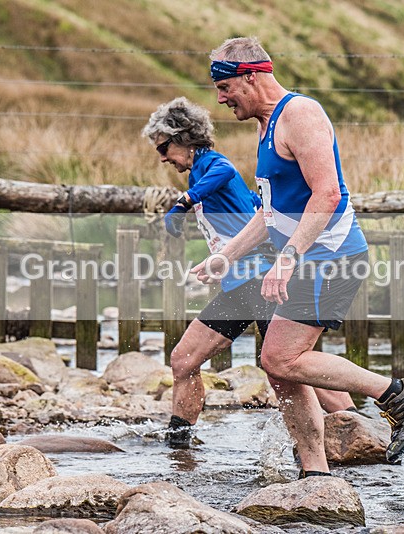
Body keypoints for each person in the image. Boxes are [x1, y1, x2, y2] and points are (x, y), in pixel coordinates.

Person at [193, 37, 404, 473]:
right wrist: (226, 255)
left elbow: (328, 192)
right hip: (309, 258)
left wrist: (287, 259)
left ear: (251, 76)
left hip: (330, 256)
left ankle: (396, 393)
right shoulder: (265, 127)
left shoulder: (300, 114)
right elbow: (270, 212)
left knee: (281, 358)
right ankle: (313, 467)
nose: (221, 98)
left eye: (224, 87)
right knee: (280, 368)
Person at [141, 97, 357, 448]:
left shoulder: (212, 164)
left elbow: (224, 171)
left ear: (184, 138)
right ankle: (178, 447)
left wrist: (184, 202)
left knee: (292, 368)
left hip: (263, 279)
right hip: (241, 285)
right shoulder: (199, 170)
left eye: (164, 147)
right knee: (184, 359)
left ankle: (361, 433)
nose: (163, 157)